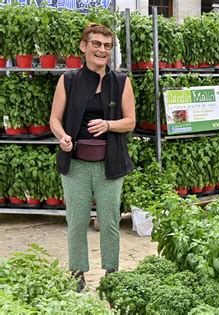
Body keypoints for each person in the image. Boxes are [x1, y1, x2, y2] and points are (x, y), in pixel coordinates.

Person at [49, 23, 135, 292]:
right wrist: (62, 137)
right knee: (76, 221)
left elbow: (130, 121)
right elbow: (54, 119)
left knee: (109, 221)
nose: (102, 50)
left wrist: (109, 125)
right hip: (75, 163)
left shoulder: (121, 82)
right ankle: (78, 273)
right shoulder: (69, 80)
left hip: (109, 163)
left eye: (107, 46)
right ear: (83, 46)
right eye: (96, 44)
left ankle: (111, 273)